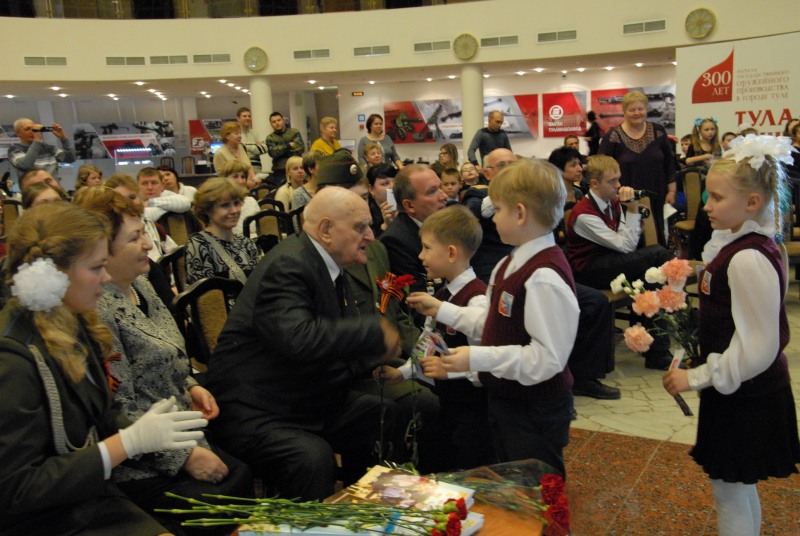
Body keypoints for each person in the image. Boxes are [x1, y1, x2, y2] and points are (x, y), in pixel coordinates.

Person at [0, 202, 206, 536]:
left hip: (83, 498)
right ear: (50, 276)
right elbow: (17, 489)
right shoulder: (12, 359)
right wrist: (126, 443)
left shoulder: (71, 321)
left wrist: (148, 436)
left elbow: (99, 413)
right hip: (39, 520)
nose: (106, 277)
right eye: (96, 267)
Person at [75, 188, 254, 535]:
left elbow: (170, 351)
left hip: (181, 431)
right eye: (135, 237)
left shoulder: (141, 285)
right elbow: (118, 409)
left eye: (143, 232)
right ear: (102, 250)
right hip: (140, 461)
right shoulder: (98, 310)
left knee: (241, 472)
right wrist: (183, 458)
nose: (147, 244)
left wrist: (190, 385)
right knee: (228, 493)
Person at [205, 187, 400, 501]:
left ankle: (361, 511)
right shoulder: (288, 265)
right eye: (360, 227)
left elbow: (328, 342)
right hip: (256, 410)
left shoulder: (327, 263)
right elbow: (299, 339)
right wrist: (374, 333)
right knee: (312, 457)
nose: (371, 236)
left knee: (378, 414)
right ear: (325, 230)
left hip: (299, 397)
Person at [663, 136, 800, 536]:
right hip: (742, 391)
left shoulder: (747, 258)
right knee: (738, 488)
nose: (706, 206)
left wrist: (698, 376)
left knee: (730, 493)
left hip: (745, 394)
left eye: (717, 198)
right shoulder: (745, 246)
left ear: (752, 203)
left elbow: (759, 348)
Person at [408, 159, 579, 476]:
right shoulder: (509, 263)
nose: (493, 219)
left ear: (520, 213)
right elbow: (494, 324)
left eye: (497, 210)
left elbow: (546, 359)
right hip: (509, 399)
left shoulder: (543, 275)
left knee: (538, 488)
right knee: (511, 481)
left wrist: (477, 358)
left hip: (536, 406)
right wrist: (442, 310)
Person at [377, 205, 494, 471]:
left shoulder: (476, 299)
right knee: (443, 458)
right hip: (449, 402)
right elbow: (428, 342)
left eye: (427, 248)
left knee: (471, 467)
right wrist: (404, 373)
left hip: (474, 409)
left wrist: (449, 372)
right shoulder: (441, 295)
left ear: (451, 253)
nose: (420, 255)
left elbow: (485, 364)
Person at [566, 155, 673, 370]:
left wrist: (631, 219)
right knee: (658, 254)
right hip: (589, 270)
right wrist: (633, 208)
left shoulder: (613, 203)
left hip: (611, 262)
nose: (619, 185)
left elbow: (626, 241)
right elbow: (626, 246)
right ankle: (678, 306)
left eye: (618, 179)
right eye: (612, 181)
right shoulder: (584, 214)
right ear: (594, 183)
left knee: (652, 277)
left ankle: (658, 353)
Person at [548, 147, 621, 400]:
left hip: (563, 263)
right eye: (573, 165)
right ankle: (573, 379)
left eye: (580, 164)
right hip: (575, 266)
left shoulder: (580, 194)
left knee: (597, 300)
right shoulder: (566, 201)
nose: (579, 168)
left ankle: (586, 377)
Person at [599, 90, 677, 247]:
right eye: (632, 109)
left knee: (656, 234)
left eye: (640, 109)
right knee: (632, 238)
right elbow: (602, 169)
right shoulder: (612, 137)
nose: (637, 113)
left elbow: (669, 162)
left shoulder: (658, 131)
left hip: (657, 194)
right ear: (624, 111)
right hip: (626, 199)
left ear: (646, 109)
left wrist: (672, 191)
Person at [380, 164, 447, 295]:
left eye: (440, 187)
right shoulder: (396, 241)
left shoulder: (442, 227)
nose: (444, 196)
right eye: (432, 192)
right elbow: (416, 304)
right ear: (410, 205)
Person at [186, 178, 260, 286]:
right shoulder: (199, 244)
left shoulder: (247, 243)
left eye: (236, 203)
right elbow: (206, 298)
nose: (234, 210)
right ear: (207, 210)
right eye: (225, 205)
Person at [463, 148, 516, 283]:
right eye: (501, 165)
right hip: (492, 271)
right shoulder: (478, 195)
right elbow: (470, 215)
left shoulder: (527, 197)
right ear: (487, 174)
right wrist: (497, 197)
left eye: (513, 164)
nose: (508, 169)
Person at [7, 117, 76, 182]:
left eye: (33, 129)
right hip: (33, 191)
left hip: (52, 189)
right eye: (27, 129)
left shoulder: (48, 148)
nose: (32, 132)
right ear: (17, 133)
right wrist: (37, 140)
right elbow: (26, 165)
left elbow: (70, 159)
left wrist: (63, 138)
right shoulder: (14, 150)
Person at [217, 160, 260, 236]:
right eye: (235, 176)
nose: (240, 181)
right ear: (225, 178)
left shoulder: (251, 201)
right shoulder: (219, 203)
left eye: (243, 177)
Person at [265, 111, 305, 186]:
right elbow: (273, 153)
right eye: (274, 122)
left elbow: (300, 148)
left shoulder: (294, 132)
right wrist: (288, 146)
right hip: (280, 171)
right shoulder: (270, 138)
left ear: (283, 120)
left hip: (296, 169)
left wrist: (280, 150)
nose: (277, 123)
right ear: (271, 124)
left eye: (279, 120)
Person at [213, 122, 256, 186]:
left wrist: (254, 178)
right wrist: (247, 183)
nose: (240, 136)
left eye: (240, 133)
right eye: (236, 133)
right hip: (231, 189)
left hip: (249, 186)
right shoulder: (220, 153)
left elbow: (249, 166)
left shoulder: (241, 147)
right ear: (227, 136)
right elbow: (223, 178)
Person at [366, 163, 397, 239]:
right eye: (385, 183)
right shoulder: (367, 213)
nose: (392, 186)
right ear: (371, 189)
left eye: (395, 182)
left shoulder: (406, 205)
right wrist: (385, 227)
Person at [237, 107, 267, 175]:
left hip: (257, 170)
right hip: (242, 170)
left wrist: (246, 147)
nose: (247, 118)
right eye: (244, 116)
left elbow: (264, 149)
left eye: (249, 116)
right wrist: (255, 147)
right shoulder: (236, 133)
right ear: (238, 118)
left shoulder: (255, 133)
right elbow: (239, 150)